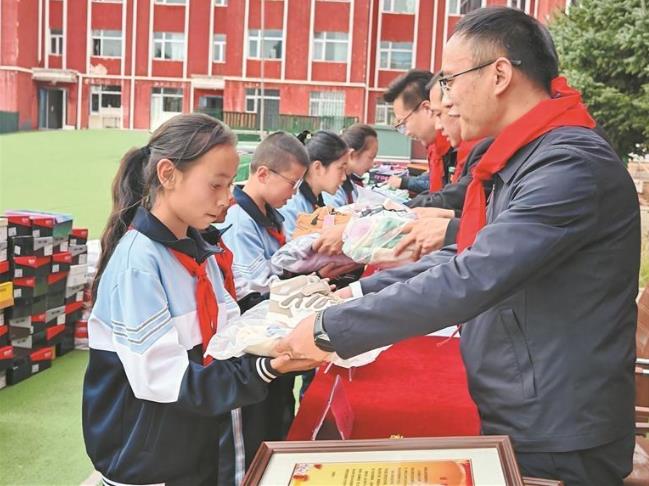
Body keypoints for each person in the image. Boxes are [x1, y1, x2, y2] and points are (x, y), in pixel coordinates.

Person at [279, 7, 639, 486]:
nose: (444, 99)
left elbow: (475, 274)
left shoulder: (568, 166)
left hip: (559, 427)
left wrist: (332, 329)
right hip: (532, 408)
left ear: (499, 75)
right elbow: (471, 251)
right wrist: (357, 294)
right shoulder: (530, 156)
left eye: (449, 81)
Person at [82, 113, 318, 486]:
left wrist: (284, 335)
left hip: (194, 446)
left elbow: (229, 336)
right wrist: (267, 367)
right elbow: (167, 381)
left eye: (230, 183)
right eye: (215, 184)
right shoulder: (138, 266)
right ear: (168, 174)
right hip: (150, 467)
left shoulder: (199, 250)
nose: (228, 198)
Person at [217, 131, 309, 485]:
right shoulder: (239, 220)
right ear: (263, 174)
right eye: (292, 182)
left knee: (279, 420)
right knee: (252, 438)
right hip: (250, 348)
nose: (294, 192)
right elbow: (252, 287)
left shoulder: (271, 216)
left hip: (274, 338)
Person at [382, 70, 454, 195]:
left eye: (404, 122)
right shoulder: (436, 149)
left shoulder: (459, 146)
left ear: (427, 108)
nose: (407, 132)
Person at [278, 130, 348, 239]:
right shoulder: (291, 207)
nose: (344, 177)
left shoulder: (319, 202)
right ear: (318, 167)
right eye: (340, 168)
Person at [323, 124, 378, 207]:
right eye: (371, 157)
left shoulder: (350, 184)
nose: (372, 165)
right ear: (352, 154)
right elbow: (330, 214)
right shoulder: (331, 186)